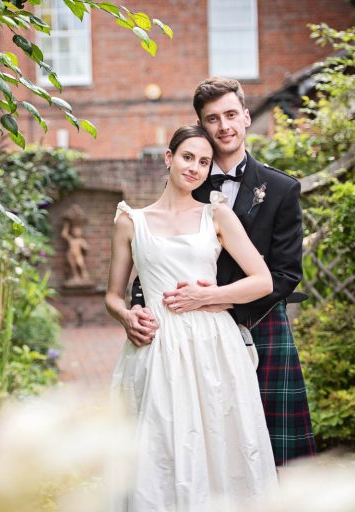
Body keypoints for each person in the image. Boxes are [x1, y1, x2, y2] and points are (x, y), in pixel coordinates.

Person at [129, 77, 316, 465]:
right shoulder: (188, 183)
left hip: (261, 322)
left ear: (246, 117)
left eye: (231, 115)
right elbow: (154, 255)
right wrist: (136, 308)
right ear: (201, 125)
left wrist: (220, 302)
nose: (224, 126)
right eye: (212, 119)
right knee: (205, 449)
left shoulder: (281, 189)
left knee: (274, 451)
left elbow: (285, 274)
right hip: (187, 334)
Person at [106, 125, 277, 510]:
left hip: (212, 345)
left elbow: (262, 280)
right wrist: (127, 317)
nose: (194, 168)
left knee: (220, 441)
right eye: (188, 157)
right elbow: (113, 295)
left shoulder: (217, 214)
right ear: (169, 158)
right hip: (156, 347)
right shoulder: (130, 221)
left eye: (203, 162)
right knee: (159, 447)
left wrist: (209, 296)